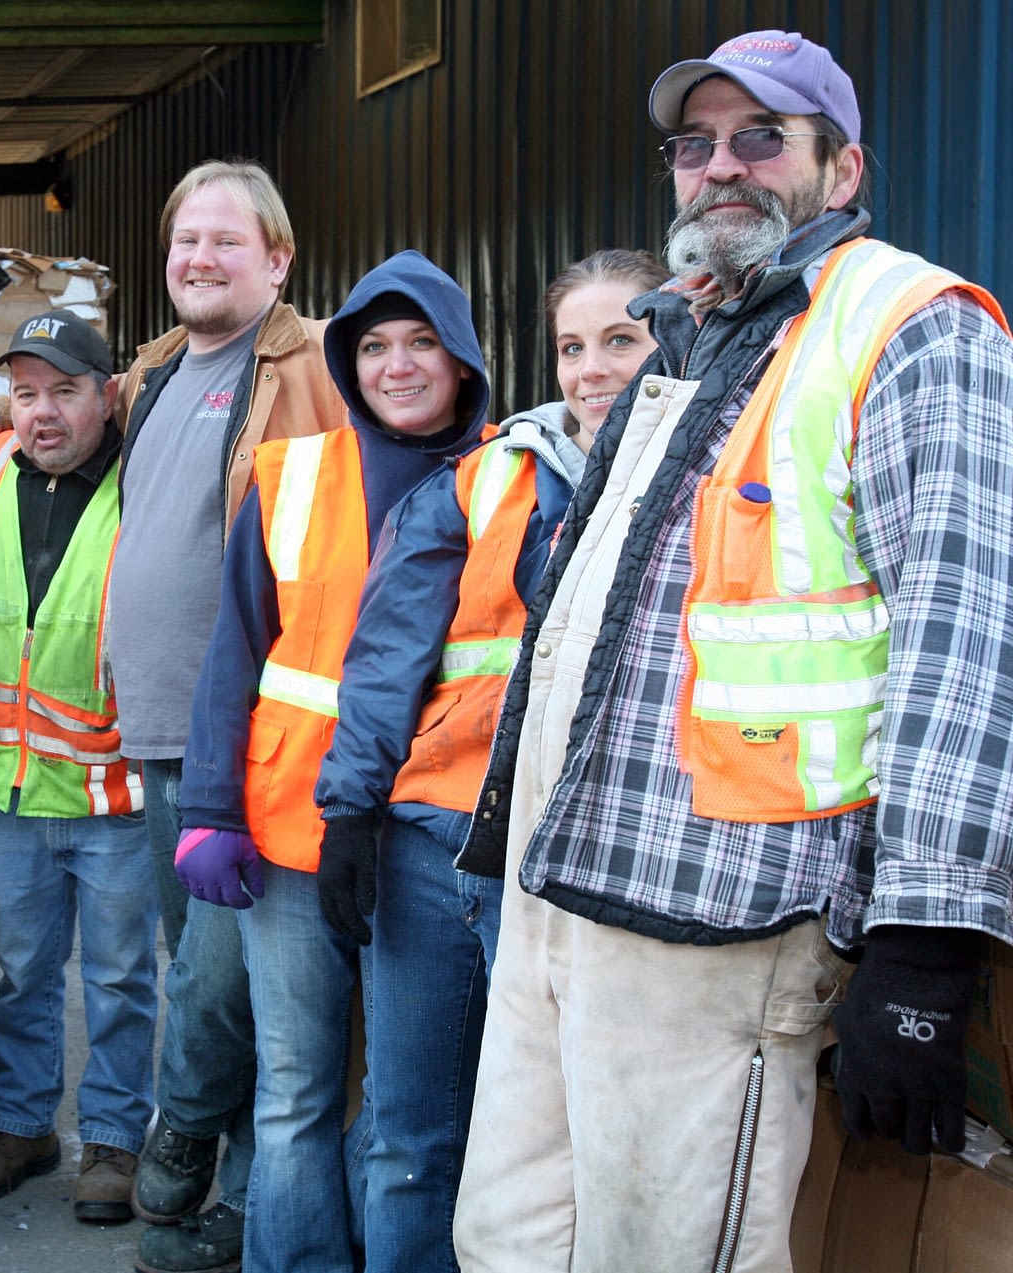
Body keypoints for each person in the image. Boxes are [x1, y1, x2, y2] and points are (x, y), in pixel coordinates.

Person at [450, 31, 1013, 1273]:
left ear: (841, 168)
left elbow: (970, 645)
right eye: (694, 144)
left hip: (720, 918)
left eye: (760, 138)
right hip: (565, 890)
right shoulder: (685, 338)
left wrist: (924, 948)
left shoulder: (913, 330)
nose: (721, 167)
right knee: (507, 1240)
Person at [0, 159, 345, 1273]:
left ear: (278, 257)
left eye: (227, 239)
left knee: (241, 988)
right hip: (154, 743)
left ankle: (209, 1165)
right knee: (194, 976)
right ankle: (201, 1170)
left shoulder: (309, 369)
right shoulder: (163, 369)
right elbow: (62, 399)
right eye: (186, 241)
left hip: (250, 739)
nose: (201, 258)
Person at [308, 249, 667, 1273]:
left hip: (571, 874)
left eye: (620, 340)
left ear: (669, 342)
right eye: (571, 346)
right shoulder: (479, 481)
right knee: (408, 1135)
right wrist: (347, 814)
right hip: (431, 851)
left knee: (553, 1149)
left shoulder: (703, 486)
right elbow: (386, 661)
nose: (593, 368)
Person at [175, 249, 489, 1273]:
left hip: (430, 847)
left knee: (414, 1107)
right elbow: (236, 653)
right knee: (296, 1089)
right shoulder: (294, 474)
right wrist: (210, 810)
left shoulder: (508, 479)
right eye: (375, 346)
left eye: (422, 343)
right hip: (292, 835)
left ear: (465, 359)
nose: (398, 366)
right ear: (348, 362)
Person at [0, 309, 160, 1226]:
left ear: (106, 395)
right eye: (25, 393)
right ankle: (24, 1125)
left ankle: (112, 1139)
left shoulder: (146, 475)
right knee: (22, 968)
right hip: (13, 787)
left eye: (65, 392)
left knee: (119, 977)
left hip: (113, 789)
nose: (43, 413)